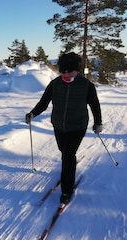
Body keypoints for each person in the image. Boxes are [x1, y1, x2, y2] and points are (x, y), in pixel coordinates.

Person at [25, 52, 102, 205]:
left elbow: (95, 105)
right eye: (63, 71)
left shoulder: (86, 85)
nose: (66, 74)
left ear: (77, 70)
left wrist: (98, 122)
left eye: (69, 71)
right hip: (59, 125)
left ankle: (67, 190)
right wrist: (33, 113)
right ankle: (68, 166)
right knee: (63, 150)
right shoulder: (55, 84)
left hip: (78, 126)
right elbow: (44, 102)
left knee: (68, 155)